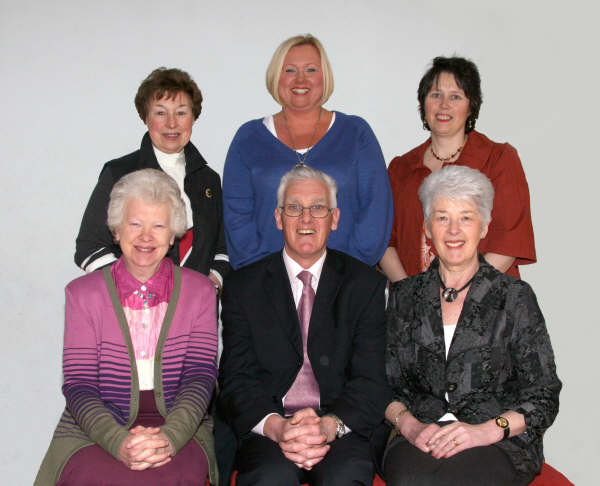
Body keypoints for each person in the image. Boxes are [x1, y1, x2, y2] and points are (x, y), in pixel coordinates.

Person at [36, 169, 218, 486]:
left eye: (158, 226)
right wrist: (118, 443)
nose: (146, 237)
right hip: (94, 426)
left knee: (172, 477)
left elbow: (200, 376)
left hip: (180, 423)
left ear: (173, 233)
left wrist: (170, 438)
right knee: (93, 477)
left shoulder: (200, 291)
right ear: (116, 231)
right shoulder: (81, 294)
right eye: (135, 224)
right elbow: (79, 384)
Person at [382, 165, 560, 485]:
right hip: (420, 436)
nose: (453, 230)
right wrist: (410, 426)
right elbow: (384, 383)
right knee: (411, 479)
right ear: (426, 228)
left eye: (465, 217)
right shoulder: (405, 296)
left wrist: (484, 431)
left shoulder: (514, 297)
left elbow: (544, 394)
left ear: (484, 227)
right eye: (442, 217)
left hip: (497, 440)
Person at [219, 165, 390, 485]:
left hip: (340, 427)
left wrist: (328, 427)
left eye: (318, 208)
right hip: (268, 429)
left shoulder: (365, 285)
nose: (306, 219)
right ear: (278, 217)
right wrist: (278, 427)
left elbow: (371, 381)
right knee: (270, 477)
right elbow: (235, 380)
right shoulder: (243, 286)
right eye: (294, 208)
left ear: (335, 218)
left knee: (344, 477)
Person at [223, 34, 392, 270]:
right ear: (276, 77)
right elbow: (236, 215)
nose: (300, 79)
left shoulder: (356, 133)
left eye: (311, 70)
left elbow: (376, 210)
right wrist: (263, 278)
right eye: (290, 70)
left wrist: (349, 273)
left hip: (346, 282)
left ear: (325, 77)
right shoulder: (248, 138)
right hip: (266, 285)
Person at [380, 56, 535, 282]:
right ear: (423, 103)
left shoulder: (499, 159)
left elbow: (509, 241)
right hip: (414, 310)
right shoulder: (399, 169)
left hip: (485, 304)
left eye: (455, 96)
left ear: (471, 106)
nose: (444, 105)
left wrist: (459, 296)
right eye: (436, 95)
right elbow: (385, 242)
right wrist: (410, 295)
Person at [75, 67, 229, 291]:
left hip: (196, 312)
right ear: (145, 118)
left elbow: (222, 247)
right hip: (134, 312)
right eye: (160, 113)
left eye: (181, 112)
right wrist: (134, 289)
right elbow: (89, 247)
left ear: (193, 117)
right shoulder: (118, 173)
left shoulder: (209, 180)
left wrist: (211, 283)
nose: (171, 123)